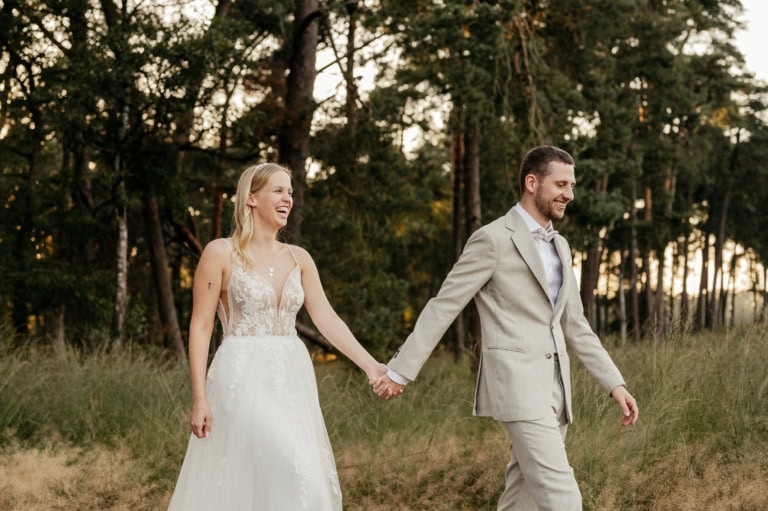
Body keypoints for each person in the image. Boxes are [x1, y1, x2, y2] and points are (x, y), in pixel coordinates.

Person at [373, 146, 638, 510]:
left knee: (522, 499)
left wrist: (615, 384)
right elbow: (445, 304)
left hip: (556, 393)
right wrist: (401, 371)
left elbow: (575, 325)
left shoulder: (560, 244)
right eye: (561, 184)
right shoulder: (492, 239)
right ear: (532, 183)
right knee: (564, 499)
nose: (569, 194)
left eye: (572, 185)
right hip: (517, 386)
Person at [167, 163, 387, 511]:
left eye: (291, 193)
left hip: (292, 381)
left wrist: (370, 366)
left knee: (301, 483)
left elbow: (327, 317)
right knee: (290, 471)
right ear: (251, 198)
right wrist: (199, 397)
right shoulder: (219, 252)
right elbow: (201, 326)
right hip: (242, 378)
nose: (288, 199)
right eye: (279, 191)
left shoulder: (299, 258)